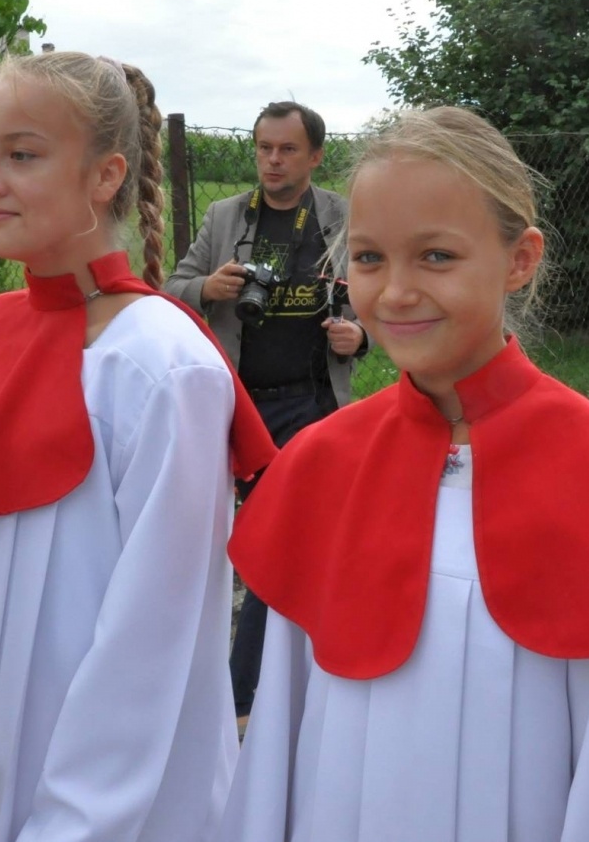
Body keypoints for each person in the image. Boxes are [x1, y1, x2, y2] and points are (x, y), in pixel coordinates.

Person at [218, 107, 589, 842]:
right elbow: (278, 747)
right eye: (368, 258)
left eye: (436, 256)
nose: (394, 292)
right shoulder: (323, 463)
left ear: (520, 258)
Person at [0, 51, 276, 842]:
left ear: (105, 176)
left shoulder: (163, 365)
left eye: (22, 154)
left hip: (98, 791)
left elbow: (151, 648)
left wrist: (68, 827)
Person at [164, 101, 366, 723]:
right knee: (241, 540)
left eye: (286, 150)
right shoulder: (227, 216)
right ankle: (266, 681)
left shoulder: (341, 218)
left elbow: (376, 290)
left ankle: (244, 689)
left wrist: (360, 335)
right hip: (238, 407)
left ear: (315, 156)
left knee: (287, 533)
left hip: (312, 403)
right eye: (263, 149)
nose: (272, 161)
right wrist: (208, 289)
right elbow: (172, 286)